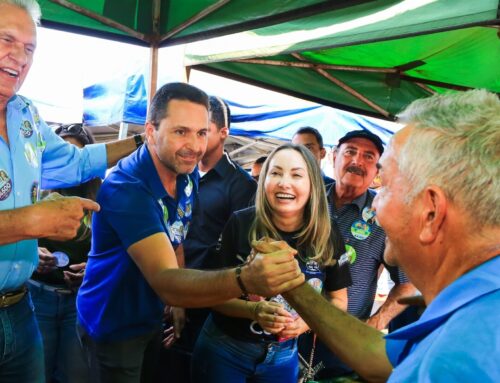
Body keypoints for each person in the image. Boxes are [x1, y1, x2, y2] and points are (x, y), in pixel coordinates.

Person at [76, 82, 303, 383]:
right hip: (113, 325)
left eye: (201, 133)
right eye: (180, 131)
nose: (194, 145)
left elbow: (176, 236)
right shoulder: (126, 189)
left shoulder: (186, 172)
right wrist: (245, 278)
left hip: (150, 318)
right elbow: (166, 282)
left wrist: (178, 304)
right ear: (151, 131)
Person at [281, 89, 500, 382]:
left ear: (430, 213)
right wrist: (294, 288)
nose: (376, 205)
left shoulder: (460, 359)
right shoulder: (475, 305)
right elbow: (384, 358)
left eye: (386, 187)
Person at [0, 2, 145, 381]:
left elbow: (77, 163)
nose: (19, 56)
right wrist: (30, 221)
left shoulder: (26, 115)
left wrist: (145, 140)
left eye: (30, 48)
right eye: (6, 39)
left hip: (19, 307)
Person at [191, 143, 351, 383]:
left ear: (313, 185)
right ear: (264, 181)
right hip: (225, 350)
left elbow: (339, 300)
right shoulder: (240, 223)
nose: (284, 182)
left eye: (296, 175)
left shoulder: (329, 234)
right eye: (275, 173)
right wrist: (253, 310)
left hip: (284, 358)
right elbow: (213, 296)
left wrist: (305, 323)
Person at [302, 129, 416, 379]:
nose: (357, 162)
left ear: (378, 170)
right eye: (350, 152)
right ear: (333, 157)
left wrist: (375, 324)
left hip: (342, 340)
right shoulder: (308, 201)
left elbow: (408, 284)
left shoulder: (384, 216)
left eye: (368, 157)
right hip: (289, 332)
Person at [159, 95, 256, 382]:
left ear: (223, 133)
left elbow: (234, 253)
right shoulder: (181, 175)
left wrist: (190, 296)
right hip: (167, 287)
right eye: (186, 130)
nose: (195, 140)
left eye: (204, 131)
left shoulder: (241, 185)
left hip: (208, 299)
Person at [28, 123, 100, 383]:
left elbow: (113, 252)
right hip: (37, 296)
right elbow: (14, 235)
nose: (67, 162)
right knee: (37, 374)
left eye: (75, 155)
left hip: (79, 301)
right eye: (61, 154)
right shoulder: (34, 192)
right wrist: (32, 253)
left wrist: (91, 271)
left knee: (75, 376)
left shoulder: (101, 199)